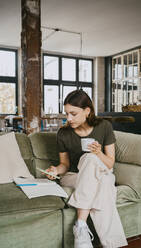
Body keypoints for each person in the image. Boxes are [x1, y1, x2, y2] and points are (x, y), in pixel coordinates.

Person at [46, 89, 128, 248]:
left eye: (73, 113)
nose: (69, 118)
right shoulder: (63, 133)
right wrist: (56, 170)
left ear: (87, 111)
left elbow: (109, 163)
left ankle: (80, 227)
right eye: (67, 113)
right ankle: (110, 243)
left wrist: (98, 153)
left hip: (102, 171)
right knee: (102, 180)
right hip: (74, 176)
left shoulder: (104, 127)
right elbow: (65, 165)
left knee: (96, 166)